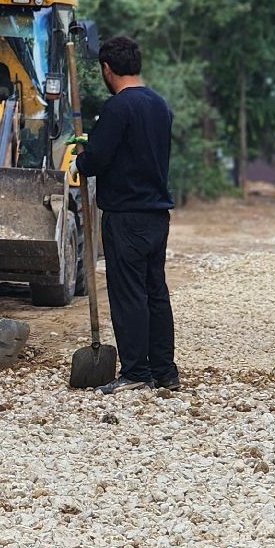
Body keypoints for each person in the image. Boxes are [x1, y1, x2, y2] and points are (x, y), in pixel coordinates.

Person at [73, 34, 178, 394]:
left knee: (128, 293)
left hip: (125, 215)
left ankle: (136, 372)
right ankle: (165, 371)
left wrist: (81, 158)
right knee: (154, 291)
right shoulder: (160, 105)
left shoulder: (117, 108)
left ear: (107, 68)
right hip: (156, 214)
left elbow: (97, 160)